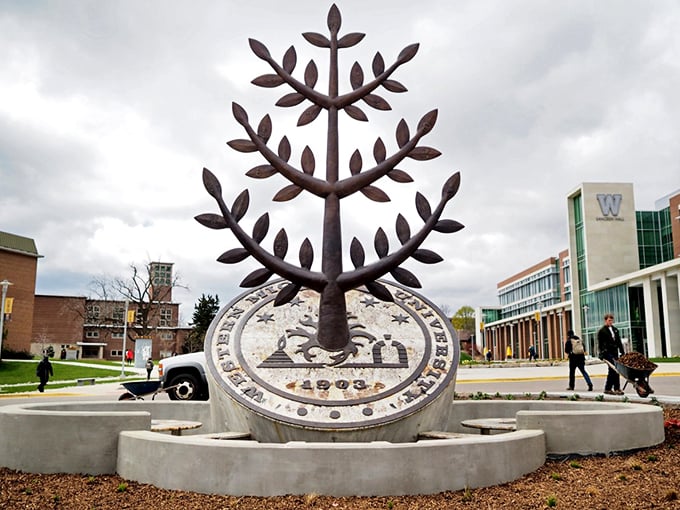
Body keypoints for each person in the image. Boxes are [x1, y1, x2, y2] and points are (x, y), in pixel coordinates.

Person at [597, 313, 625, 395]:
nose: (610, 322)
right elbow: (600, 344)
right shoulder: (602, 331)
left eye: (611, 320)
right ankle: (608, 388)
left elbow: (619, 342)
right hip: (607, 353)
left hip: (615, 352)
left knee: (616, 370)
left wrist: (622, 352)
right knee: (613, 369)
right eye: (609, 320)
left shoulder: (615, 330)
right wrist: (602, 353)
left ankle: (616, 388)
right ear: (605, 320)